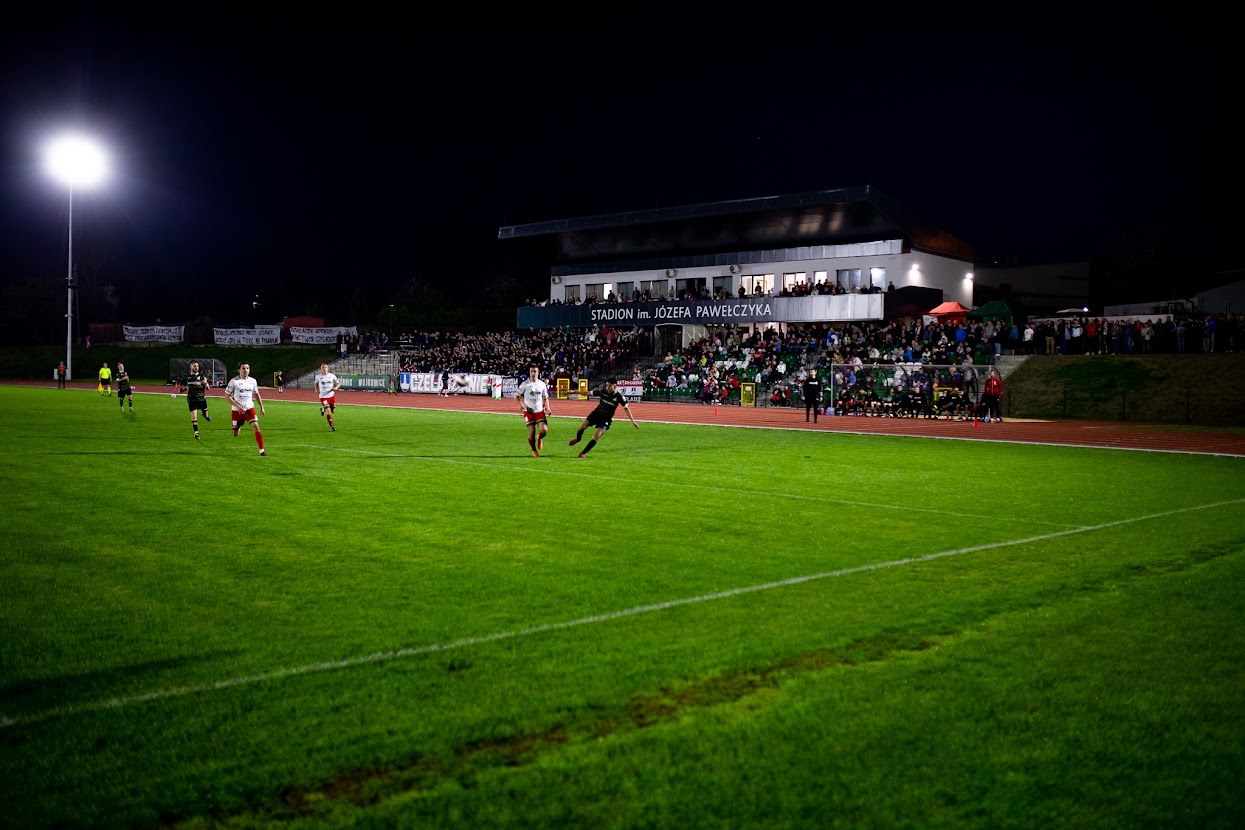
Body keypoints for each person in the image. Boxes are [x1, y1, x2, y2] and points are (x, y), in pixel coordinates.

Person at [568, 377, 638, 458]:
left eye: (609, 386)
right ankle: (578, 439)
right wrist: (573, 391)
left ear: (614, 386)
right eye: (606, 385)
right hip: (596, 414)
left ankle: (582, 453)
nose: (607, 387)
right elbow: (587, 393)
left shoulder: (619, 397)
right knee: (582, 427)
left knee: (596, 436)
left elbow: (626, 408)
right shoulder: (603, 392)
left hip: (606, 419)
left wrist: (632, 421)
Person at [225, 362, 267, 456]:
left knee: (256, 426)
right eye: (243, 368)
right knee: (235, 433)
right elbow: (227, 396)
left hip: (249, 409)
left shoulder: (253, 381)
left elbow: (256, 394)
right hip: (237, 410)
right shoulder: (233, 381)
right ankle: (239, 424)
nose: (246, 370)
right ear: (239, 370)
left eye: (247, 368)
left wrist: (261, 407)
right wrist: (238, 406)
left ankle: (262, 450)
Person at [516, 365, 552, 457]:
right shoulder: (525, 384)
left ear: (538, 372)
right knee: (531, 434)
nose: (533, 373)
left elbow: (545, 398)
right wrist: (521, 405)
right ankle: (534, 450)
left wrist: (548, 408)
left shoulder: (542, 384)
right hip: (529, 412)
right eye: (531, 371)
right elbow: (517, 397)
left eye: (535, 371)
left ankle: (539, 438)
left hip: (540, 411)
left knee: (544, 431)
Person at [185, 360, 213, 439]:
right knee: (194, 417)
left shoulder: (202, 376)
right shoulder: (187, 377)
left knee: (206, 416)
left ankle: (205, 416)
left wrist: (206, 383)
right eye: (194, 366)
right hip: (191, 399)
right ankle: (196, 433)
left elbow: (208, 388)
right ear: (191, 367)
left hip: (201, 399)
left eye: (197, 366)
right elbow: (187, 386)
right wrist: (182, 389)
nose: (196, 367)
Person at [314, 362, 341, 431]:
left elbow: (338, 382)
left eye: (325, 367)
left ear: (328, 368)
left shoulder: (332, 376)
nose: (324, 369)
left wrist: (336, 387)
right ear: (321, 369)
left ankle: (322, 409)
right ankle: (332, 426)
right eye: (322, 367)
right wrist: (316, 389)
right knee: (328, 412)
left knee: (332, 411)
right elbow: (315, 383)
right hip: (323, 397)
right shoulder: (318, 376)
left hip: (331, 396)